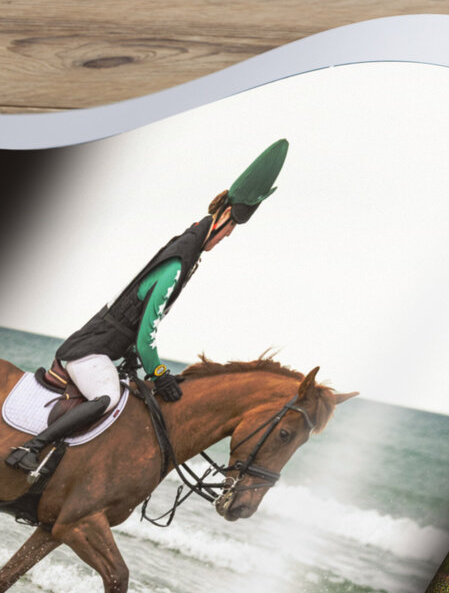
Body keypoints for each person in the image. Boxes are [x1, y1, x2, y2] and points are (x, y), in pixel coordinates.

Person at [6, 139, 288, 474]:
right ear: (226, 216)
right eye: (231, 230)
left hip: (103, 348)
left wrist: (131, 357)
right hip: (88, 351)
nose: (228, 237)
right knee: (108, 398)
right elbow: (146, 334)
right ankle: (31, 447)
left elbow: (133, 317)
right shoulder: (177, 263)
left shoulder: (186, 252)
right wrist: (158, 372)